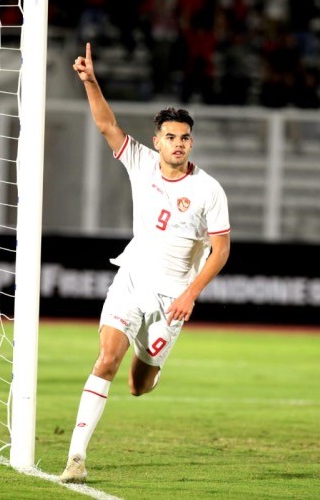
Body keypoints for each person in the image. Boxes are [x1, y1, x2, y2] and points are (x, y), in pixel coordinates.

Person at [59, 43, 231, 484]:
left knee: (137, 385)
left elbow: (221, 249)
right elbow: (105, 124)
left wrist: (191, 294)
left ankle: (154, 354)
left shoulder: (209, 189)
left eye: (185, 137)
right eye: (170, 136)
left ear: (192, 142)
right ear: (157, 141)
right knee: (104, 361)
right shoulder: (140, 161)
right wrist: (90, 81)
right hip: (132, 280)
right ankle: (76, 457)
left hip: (173, 299)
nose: (178, 144)